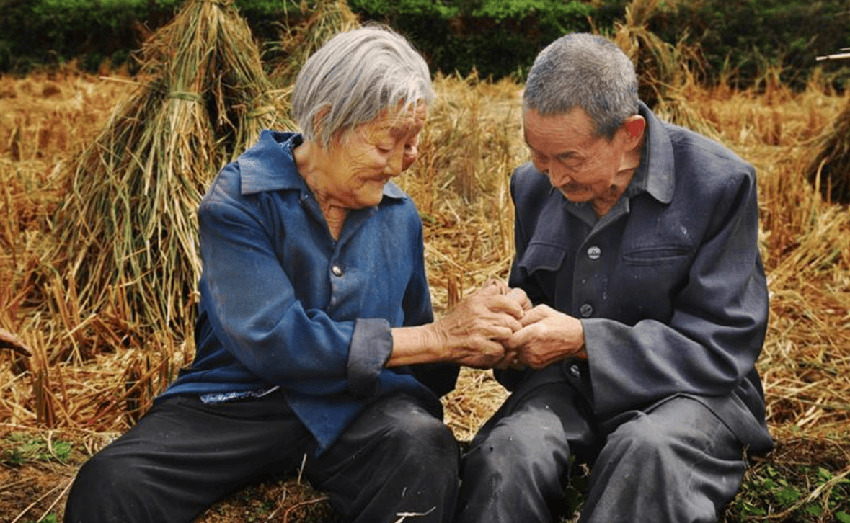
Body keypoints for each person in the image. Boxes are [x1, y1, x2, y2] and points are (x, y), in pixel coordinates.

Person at [64, 25, 529, 523]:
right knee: (112, 484)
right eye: (387, 143)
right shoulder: (241, 201)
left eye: (412, 143)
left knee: (422, 447)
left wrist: (489, 335)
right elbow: (275, 340)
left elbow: (425, 365)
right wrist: (438, 337)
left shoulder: (400, 216)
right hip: (242, 400)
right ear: (327, 124)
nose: (402, 162)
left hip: (361, 408)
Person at [456, 32, 774, 523]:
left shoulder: (720, 184)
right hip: (568, 388)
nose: (552, 176)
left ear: (629, 133)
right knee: (510, 453)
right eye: (538, 153)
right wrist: (505, 332)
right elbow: (532, 301)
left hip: (692, 393)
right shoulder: (532, 184)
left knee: (647, 453)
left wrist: (585, 340)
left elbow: (722, 347)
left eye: (569, 159)